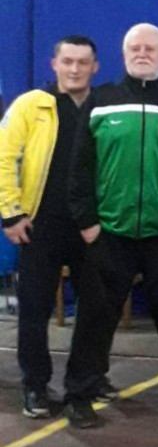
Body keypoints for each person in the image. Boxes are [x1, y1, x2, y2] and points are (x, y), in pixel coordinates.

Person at [66, 23, 158, 427]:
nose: (142, 53)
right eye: (135, 48)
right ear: (124, 54)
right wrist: (88, 224)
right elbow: (80, 168)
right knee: (94, 319)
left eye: (150, 48)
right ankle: (81, 393)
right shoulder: (102, 102)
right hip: (109, 233)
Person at [0, 35, 117, 418]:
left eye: (83, 62)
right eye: (68, 61)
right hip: (40, 227)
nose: (75, 69)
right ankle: (35, 386)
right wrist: (11, 214)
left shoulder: (105, 107)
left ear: (95, 67)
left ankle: (89, 378)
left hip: (91, 227)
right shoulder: (30, 105)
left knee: (97, 310)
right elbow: (4, 157)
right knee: (34, 311)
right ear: (54, 64)